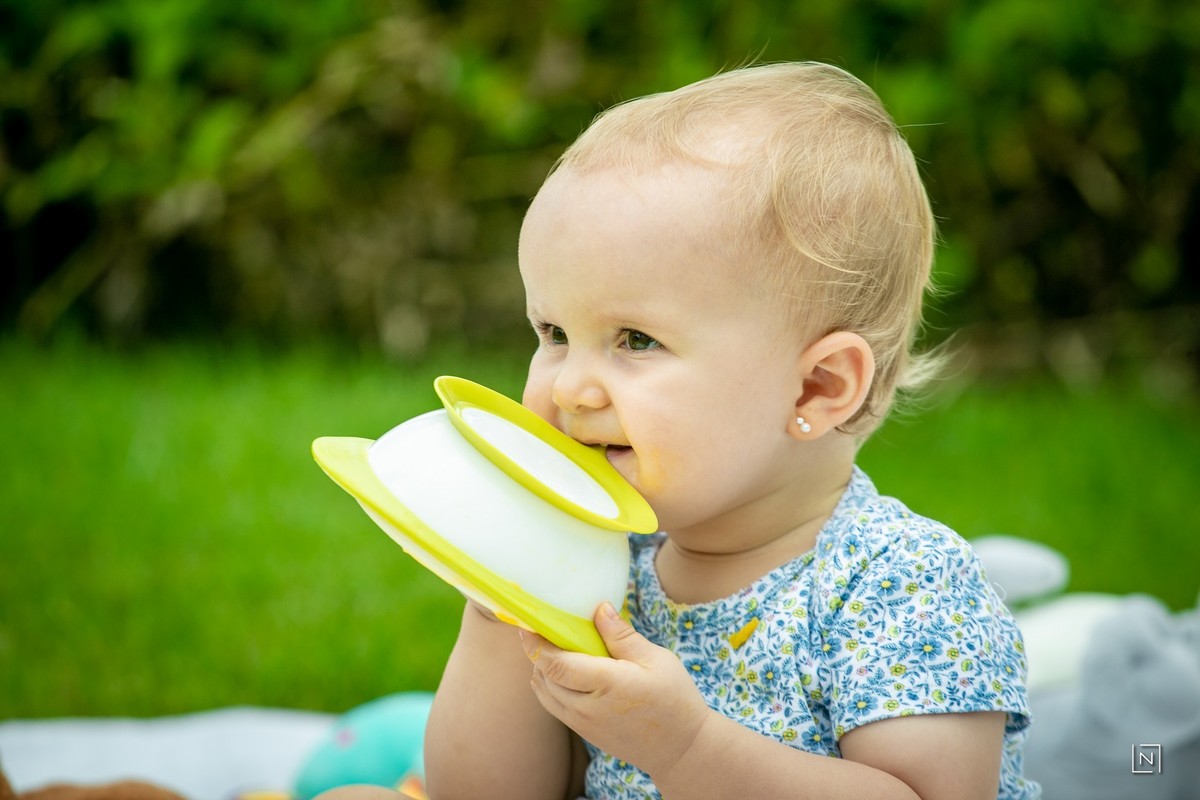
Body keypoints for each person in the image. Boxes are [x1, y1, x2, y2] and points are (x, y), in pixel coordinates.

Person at [346, 61, 1036, 799]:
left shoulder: (899, 584)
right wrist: (500, 606)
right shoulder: (602, 562)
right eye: (553, 333)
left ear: (817, 387)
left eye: (636, 340)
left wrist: (685, 748)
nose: (568, 387)